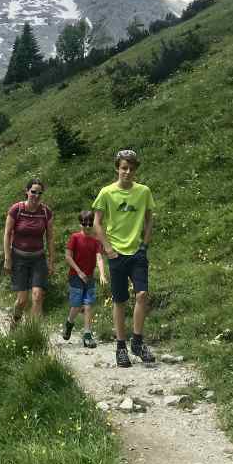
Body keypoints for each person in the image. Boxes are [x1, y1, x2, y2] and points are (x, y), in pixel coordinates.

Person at [92, 150, 156, 368]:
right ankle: (121, 347)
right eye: (123, 168)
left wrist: (145, 244)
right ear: (117, 168)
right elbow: (97, 223)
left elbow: (149, 219)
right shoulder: (107, 193)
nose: (127, 172)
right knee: (119, 301)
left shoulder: (144, 192)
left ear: (135, 170)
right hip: (116, 253)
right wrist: (108, 249)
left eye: (131, 168)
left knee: (142, 294)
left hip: (137, 252)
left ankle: (137, 342)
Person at [3, 178, 55, 327]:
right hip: (19, 258)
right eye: (33, 192)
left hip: (38, 259)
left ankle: (33, 333)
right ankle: (15, 322)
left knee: (38, 296)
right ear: (26, 192)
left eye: (40, 193)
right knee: (22, 300)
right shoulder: (16, 209)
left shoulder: (46, 212)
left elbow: (50, 238)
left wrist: (51, 262)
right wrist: (7, 258)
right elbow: (7, 234)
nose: (36, 195)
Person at [62, 210, 107, 348]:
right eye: (84, 223)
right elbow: (68, 257)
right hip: (76, 276)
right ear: (80, 223)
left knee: (88, 305)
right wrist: (79, 271)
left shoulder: (95, 241)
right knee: (76, 305)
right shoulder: (75, 238)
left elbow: (99, 257)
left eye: (89, 223)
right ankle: (69, 323)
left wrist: (102, 274)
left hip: (89, 278)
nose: (87, 226)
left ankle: (87, 335)